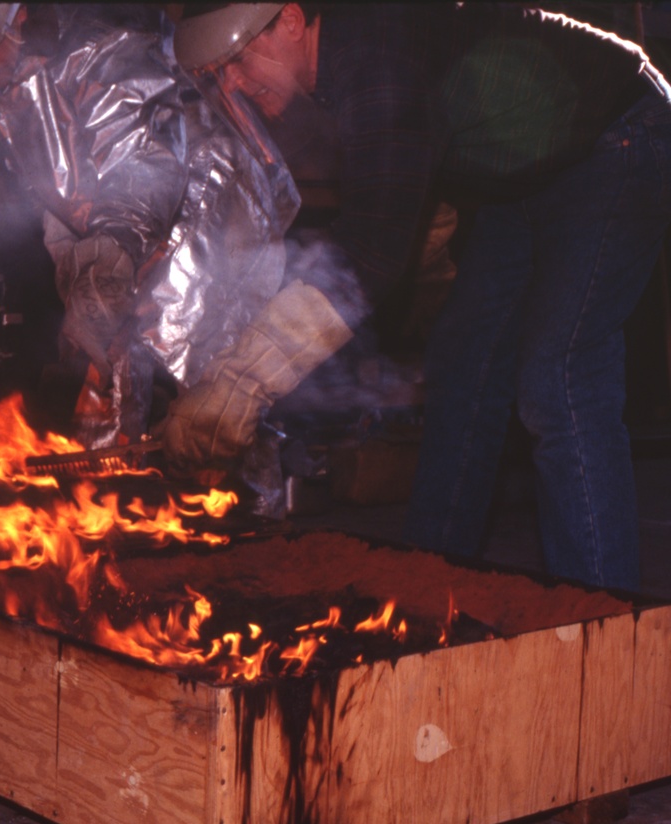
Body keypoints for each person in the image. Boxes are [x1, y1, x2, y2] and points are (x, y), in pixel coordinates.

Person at [172, 3, 671, 589]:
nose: (233, 82)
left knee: (558, 377)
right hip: (533, 173)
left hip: (620, 133)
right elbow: (405, 182)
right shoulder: (347, 65)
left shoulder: (370, 52)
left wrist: (243, 381)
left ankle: (604, 612)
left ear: (289, 19)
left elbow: (370, 248)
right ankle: (427, 589)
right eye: (217, 74)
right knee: (462, 369)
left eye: (235, 59)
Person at [0, 3, 309, 457]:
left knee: (211, 401)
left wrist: (108, 256)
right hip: (119, 229)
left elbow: (142, 162)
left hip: (205, 213)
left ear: (18, 15)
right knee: (112, 390)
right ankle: (113, 498)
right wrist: (76, 263)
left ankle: (250, 509)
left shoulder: (101, 42)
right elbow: (57, 183)